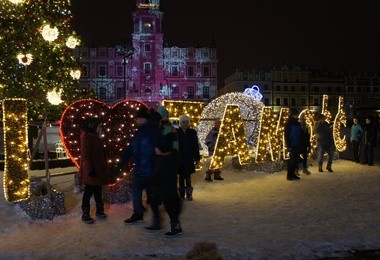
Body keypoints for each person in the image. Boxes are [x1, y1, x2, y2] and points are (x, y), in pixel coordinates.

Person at [121, 107, 162, 224]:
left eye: (138, 118)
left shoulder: (153, 131)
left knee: (153, 194)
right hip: (139, 168)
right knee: (136, 191)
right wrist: (122, 160)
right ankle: (138, 214)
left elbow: (159, 148)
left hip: (150, 169)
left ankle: (156, 217)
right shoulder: (138, 132)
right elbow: (131, 148)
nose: (136, 121)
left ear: (143, 119)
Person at [146, 133, 183, 237]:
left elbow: (158, 175)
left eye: (156, 148)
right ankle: (157, 222)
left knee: (170, 208)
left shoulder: (164, 161)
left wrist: (146, 181)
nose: (155, 149)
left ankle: (176, 227)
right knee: (154, 202)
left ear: (163, 148)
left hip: (166, 189)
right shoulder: (167, 157)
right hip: (161, 188)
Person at [79, 118, 109, 224]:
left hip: (97, 170)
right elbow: (86, 156)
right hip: (91, 171)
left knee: (98, 191)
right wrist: (90, 169)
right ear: (93, 127)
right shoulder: (87, 138)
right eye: (99, 126)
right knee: (88, 192)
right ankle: (85, 214)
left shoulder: (95, 137)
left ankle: (99, 211)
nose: (101, 128)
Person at [177, 115, 200, 201]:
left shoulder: (192, 132)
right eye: (183, 122)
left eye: (187, 122)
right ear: (180, 123)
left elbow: (195, 145)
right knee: (181, 177)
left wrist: (196, 156)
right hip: (180, 159)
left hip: (189, 158)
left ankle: (189, 194)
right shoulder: (177, 132)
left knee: (188, 177)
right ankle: (182, 195)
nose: (185, 124)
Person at [284, 109, 301, 181]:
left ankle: (293, 174)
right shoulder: (289, 123)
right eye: (296, 114)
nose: (297, 116)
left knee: (296, 160)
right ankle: (289, 175)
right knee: (292, 160)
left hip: (297, 143)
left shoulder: (297, 122)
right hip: (292, 143)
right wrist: (288, 144)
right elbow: (286, 134)